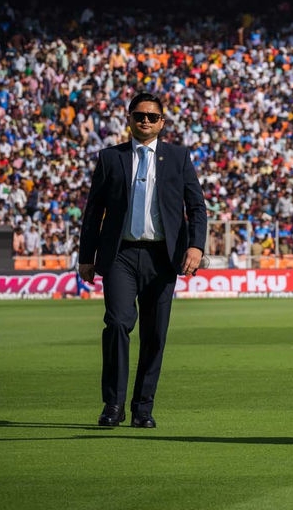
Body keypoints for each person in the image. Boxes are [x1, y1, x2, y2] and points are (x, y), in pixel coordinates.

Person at [78, 93, 208, 428]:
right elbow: (94, 211)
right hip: (120, 255)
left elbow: (196, 207)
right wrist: (86, 257)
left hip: (163, 257)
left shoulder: (178, 157)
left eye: (152, 116)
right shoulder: (111, 158)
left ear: (162, 122)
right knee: (118, 324)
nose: (145, 121)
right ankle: (113, 405)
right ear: (129, 119)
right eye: (139, 115)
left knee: (154, 336)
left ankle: (143, 408)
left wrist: (196, 247)